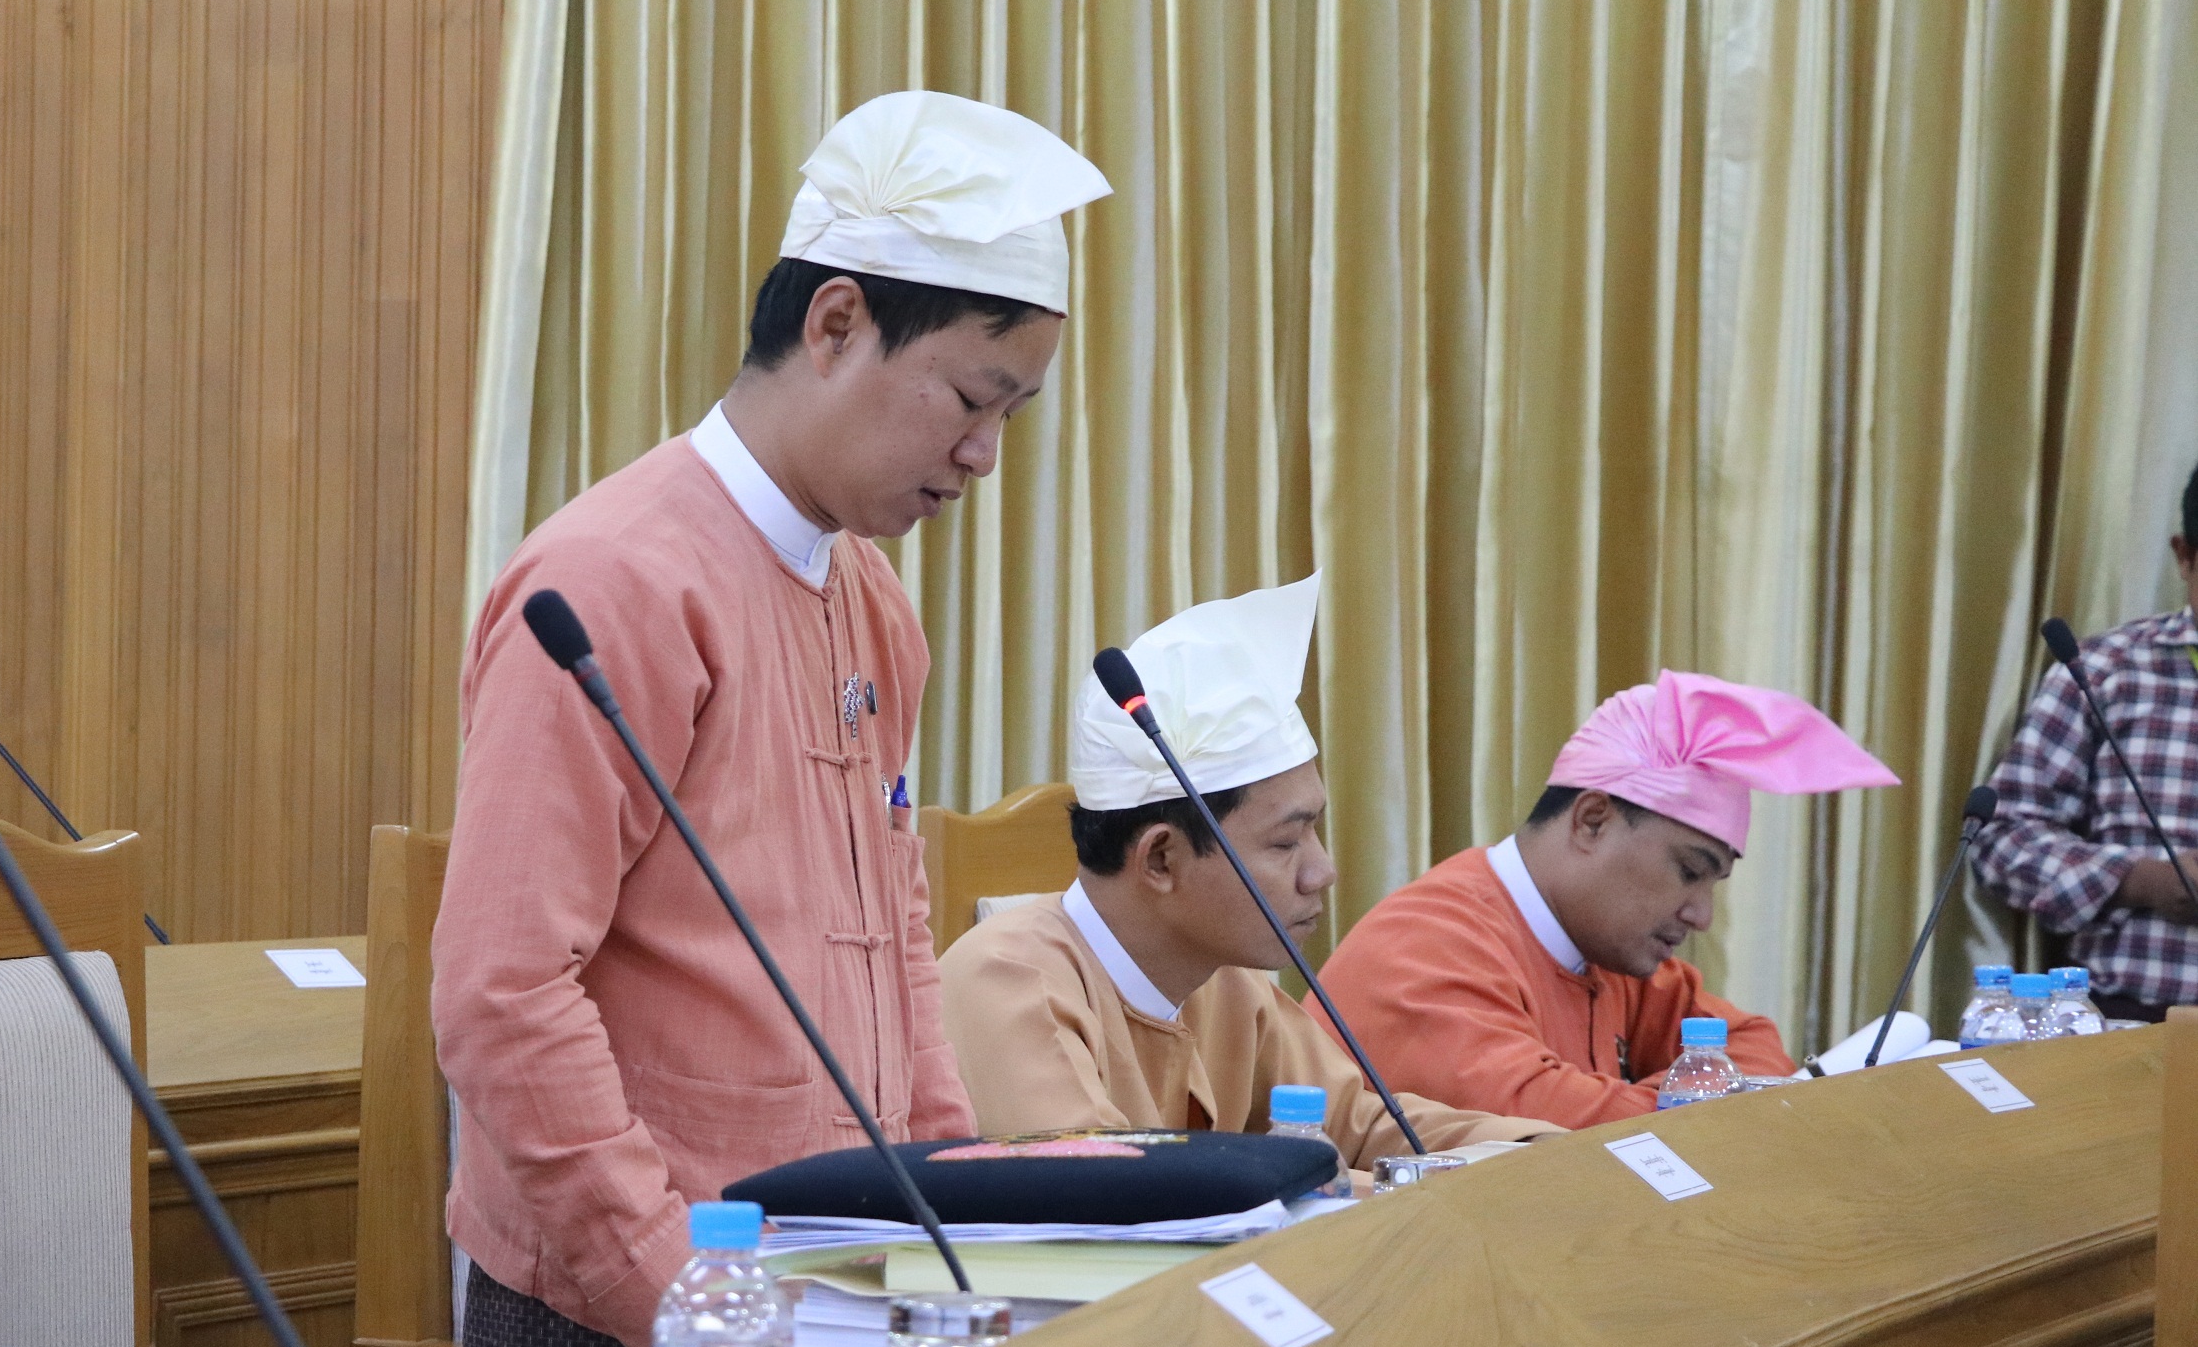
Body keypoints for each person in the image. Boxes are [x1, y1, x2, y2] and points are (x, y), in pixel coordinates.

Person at [432, 91, 1111, 1347]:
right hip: (631, 1305)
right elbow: (499, 990)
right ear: (836, 323)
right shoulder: (615, 579)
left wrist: (949, 1215)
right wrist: (678, 1291)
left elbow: (894, 937)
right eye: (970, 399)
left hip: (842, 1278)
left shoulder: (873, 602)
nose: (982, 455)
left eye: (1011, 418)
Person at [940, 578, 1558, 1168]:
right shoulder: (1008, 981)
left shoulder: (1227, 983)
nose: (1322, 872)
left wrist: (1552, 1153)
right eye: (1286, 842)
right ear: (1160, 860)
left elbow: (1362, 1128)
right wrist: (1373, 1186)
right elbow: (1115, 1200)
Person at [1310, 671, 1899, 1129]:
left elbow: (1754, 1047)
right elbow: (1556, 1137)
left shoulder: (1604, 949)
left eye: (1712, 884)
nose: (1701, 915)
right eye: (1689, 871)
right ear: (1592, 820)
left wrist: (1682, 1097)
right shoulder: (1425, 948)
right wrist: (1693, 1100)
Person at [1974, 461, 2198, 1023]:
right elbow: (2000, 836)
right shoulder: (2104, 671)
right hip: (2134, 1020)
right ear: (2185, 557)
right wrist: (2139, 881)